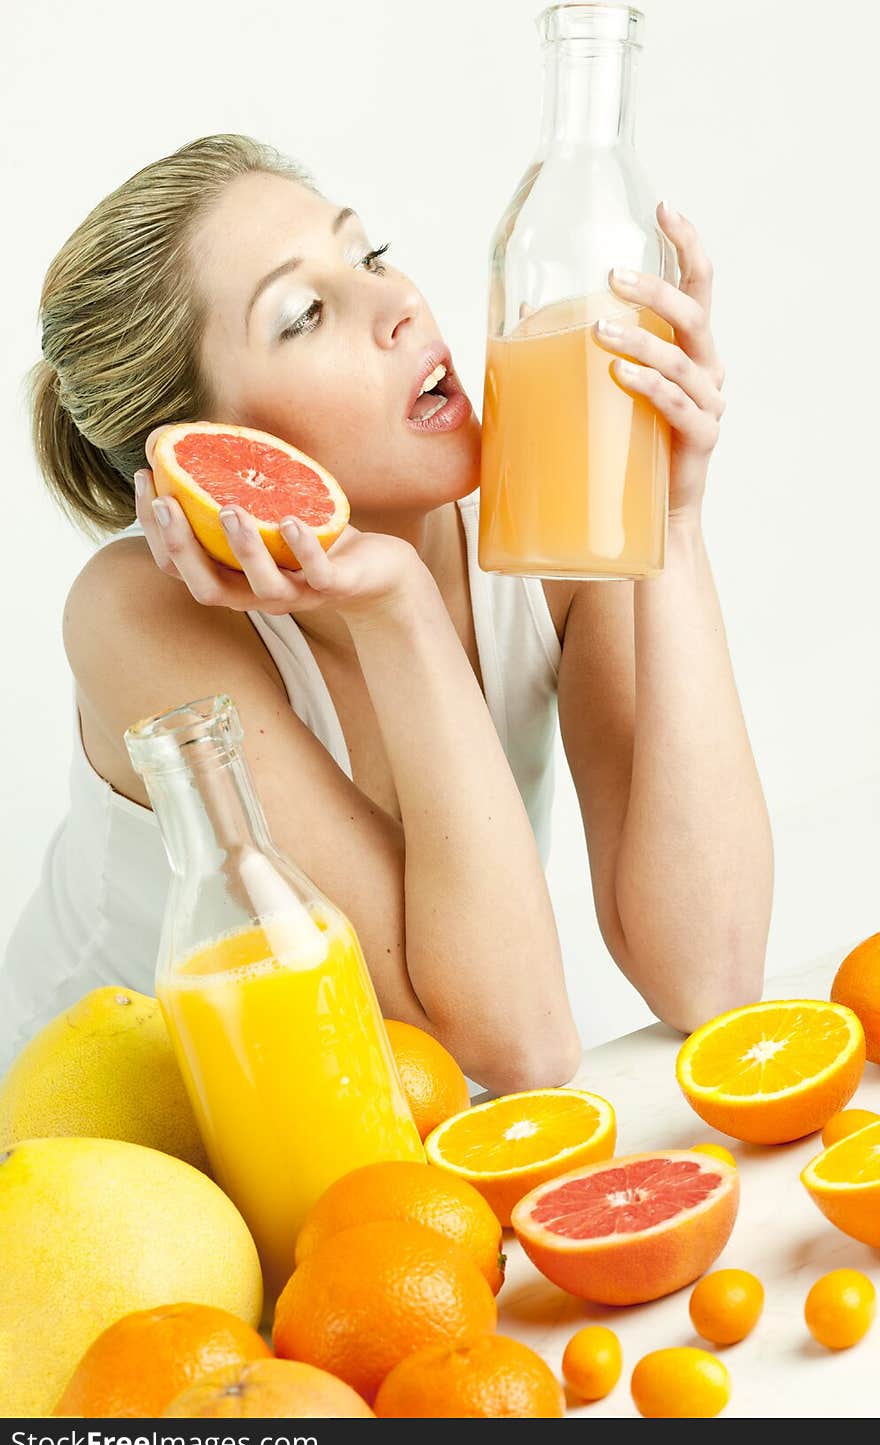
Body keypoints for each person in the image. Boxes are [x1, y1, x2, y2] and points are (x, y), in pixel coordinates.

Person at [0, 134, 773, 1091]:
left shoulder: (545, 489)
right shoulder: (141, 617)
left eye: (367, 255)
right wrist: (400, 606)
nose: (400, 303)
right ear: (207, 447)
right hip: (100, 1134)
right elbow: (512, 1047)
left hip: (363, 1127)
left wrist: (671, 521)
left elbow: (709, 973)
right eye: (305, 314)